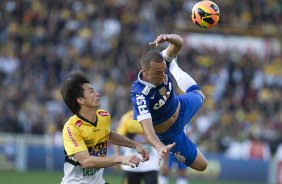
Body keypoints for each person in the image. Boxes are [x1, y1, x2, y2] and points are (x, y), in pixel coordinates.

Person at [130, 33, 208, 171]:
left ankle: (173, 66)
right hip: (171, 134)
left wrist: (169, 38)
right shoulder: (139, 94)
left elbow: (179, 43)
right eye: (158, 73)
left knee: (200, 94)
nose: (162, 76)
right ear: (145, 71)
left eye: (164, 72)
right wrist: (160, 147)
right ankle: (172, 63)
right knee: (202, 166)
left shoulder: (160, 64)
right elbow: (148, 132)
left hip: (182, 106)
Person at [60, 72, 149, 184]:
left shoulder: (104, 116)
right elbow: (86, 161)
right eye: (91, 91)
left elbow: (108, 135)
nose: (98, 94)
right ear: (80, 100)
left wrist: (135, 145)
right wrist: (121, 159)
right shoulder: (71, 128)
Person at [114, 110, 159, 184]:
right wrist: (117, 155)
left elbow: (164, 138)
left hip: (151, 163)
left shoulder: (155, 116)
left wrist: (166, 162)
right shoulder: (127, 117)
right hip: (131, 162)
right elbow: (118, 137)